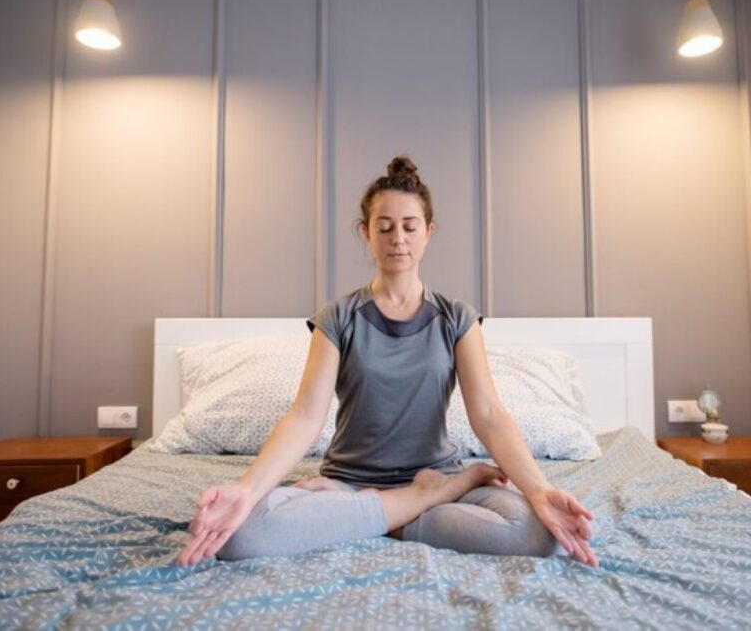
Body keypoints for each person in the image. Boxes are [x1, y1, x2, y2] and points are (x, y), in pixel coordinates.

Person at [178, 156, 598, 568]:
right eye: (385, 227)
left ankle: (384, 514)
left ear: (428, 232)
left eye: (410, 226)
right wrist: (247, 491)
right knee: (238, 534)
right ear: (366, 233)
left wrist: (540, 492)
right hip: (349, 484)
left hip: (435, 477)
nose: (398, 237)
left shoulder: (457, 318)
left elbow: (488, 414)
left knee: (539, 534)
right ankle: (417, 503)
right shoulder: (338, 318)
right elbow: (306, 415)